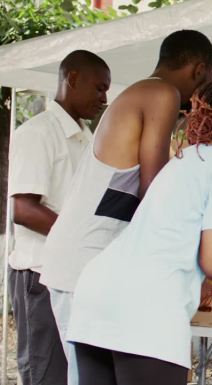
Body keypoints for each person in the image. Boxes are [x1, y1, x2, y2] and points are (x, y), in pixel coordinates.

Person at [64, 78, 212, 385]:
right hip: (145, 306)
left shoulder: (181, 161)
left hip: (95, 297)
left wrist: (198, 281)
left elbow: (174, 237)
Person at [38, 29, 212, 385]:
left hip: (90, 262)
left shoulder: (140, 94)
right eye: (205, 85)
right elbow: (157, 193)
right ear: (198, 70)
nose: (199, 99)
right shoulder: (160, 93)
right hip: (82, 262)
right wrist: (201, 264)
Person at [7, 50, 110, 385]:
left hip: (72, 275)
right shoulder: (38, 133)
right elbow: (22, 208)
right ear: (73, 79)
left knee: (73, 375)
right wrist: (77, 237)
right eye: (99, 88)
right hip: (39, 274)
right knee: (45, 374)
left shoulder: (87, 138)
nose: (104, 98)